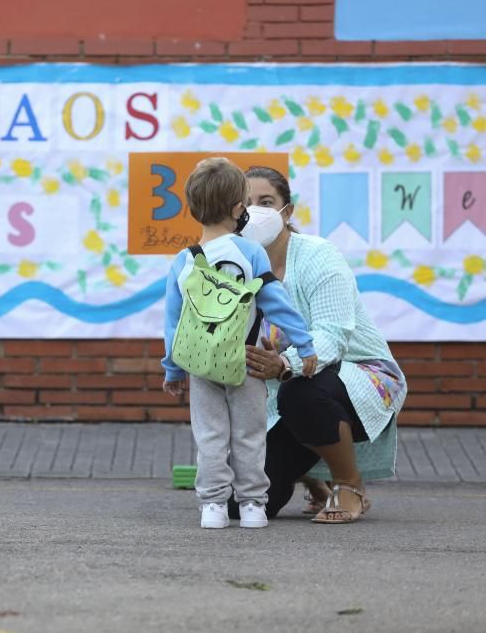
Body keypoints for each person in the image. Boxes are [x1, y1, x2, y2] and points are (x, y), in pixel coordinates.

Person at [235, 166, 407, 523]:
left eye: (267, 201)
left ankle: (349, 485)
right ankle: (315, 480)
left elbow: (332, 337)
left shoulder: (317, 256)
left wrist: (284, 364)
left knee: (301, 393)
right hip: (285, 393)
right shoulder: (236, 267)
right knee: (243, 503)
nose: (257, 211)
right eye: (247, 204)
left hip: (361, 377)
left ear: (288, 210)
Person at [161, 158, 317, 530]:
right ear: (237, 209)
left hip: (201, 365)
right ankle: (252, 506)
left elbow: (173, 323)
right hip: (245, 362)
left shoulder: (184, 261)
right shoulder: (250, 253)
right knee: (249, 435)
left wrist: (172, 369)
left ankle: (212, 506)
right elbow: (277, 303)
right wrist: (305, 345)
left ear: (193, 208)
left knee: (210, 435)